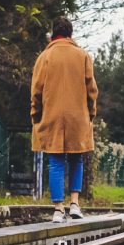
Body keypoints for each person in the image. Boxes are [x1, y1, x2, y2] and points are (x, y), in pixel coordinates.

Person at [31, 17, 96, 220]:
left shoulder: (44, 57)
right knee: (77, 159)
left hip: (52, 116)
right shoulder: (83, 56)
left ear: (53, 34)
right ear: (70, 34)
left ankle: (58, 209)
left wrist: (36, 115)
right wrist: (90, 113)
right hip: (78, 116)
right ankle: (74, 203)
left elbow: (36, 91)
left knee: (56, 161)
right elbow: (91, 90)